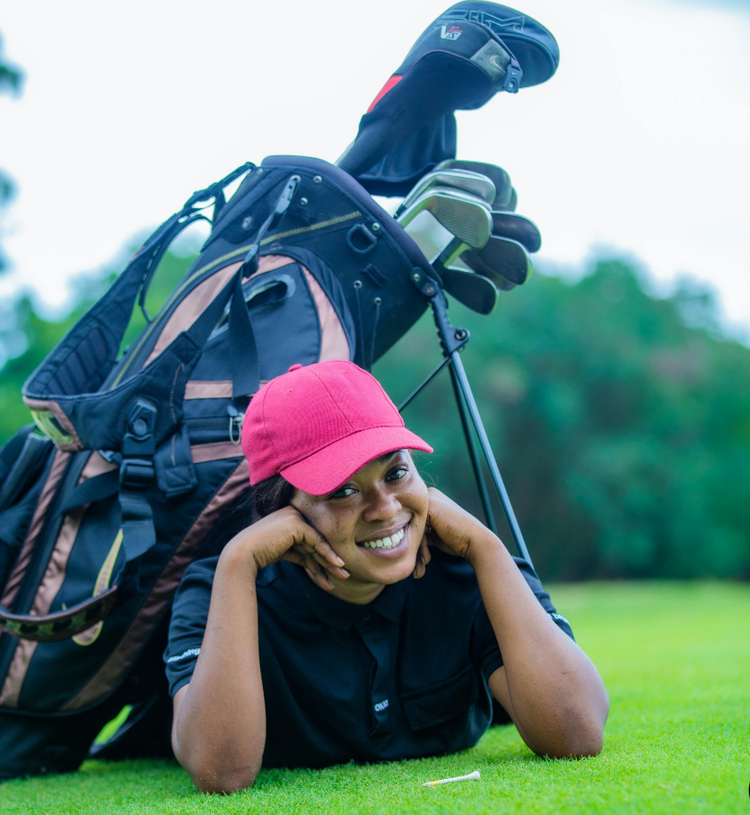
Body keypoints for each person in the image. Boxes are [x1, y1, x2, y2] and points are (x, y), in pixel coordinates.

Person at [164, 361, 609, 794]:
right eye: (343, 491)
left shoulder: (472, 565)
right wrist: (238, 561)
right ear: (280, 513)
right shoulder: (220, 590)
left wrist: (487, 548)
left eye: (396, 473)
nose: (386, 508)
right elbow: (221, 774)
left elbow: (576, 734)